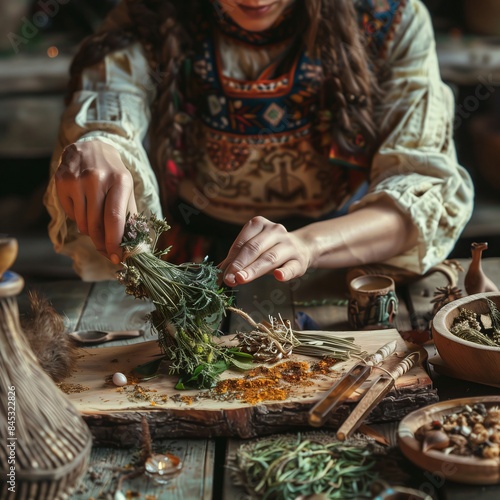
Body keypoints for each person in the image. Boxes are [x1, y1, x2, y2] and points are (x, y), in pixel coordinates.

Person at [44, 0, 474, 287]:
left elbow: (422, 184)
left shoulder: (390, 16)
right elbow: (109, 97)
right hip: (192, 270)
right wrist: (98, 140)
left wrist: (307, 244)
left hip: (346, 259)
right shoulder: (153, 13)